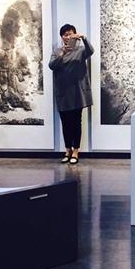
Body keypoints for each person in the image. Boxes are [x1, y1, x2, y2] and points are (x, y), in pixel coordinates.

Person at [49, 24, 94, 165]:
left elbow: (91, 51)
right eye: (65, 34)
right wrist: (62, 53)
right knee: (65, 123)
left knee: (76, 122)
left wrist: (84, 37)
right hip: (62, 92)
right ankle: (67, 150)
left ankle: (76, 151)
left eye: (71, 34)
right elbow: (52, 66)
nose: (68, 37)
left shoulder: (81, 50)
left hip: (78, 92)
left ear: (75, 35)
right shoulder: (57, 52)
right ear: (61, 37)